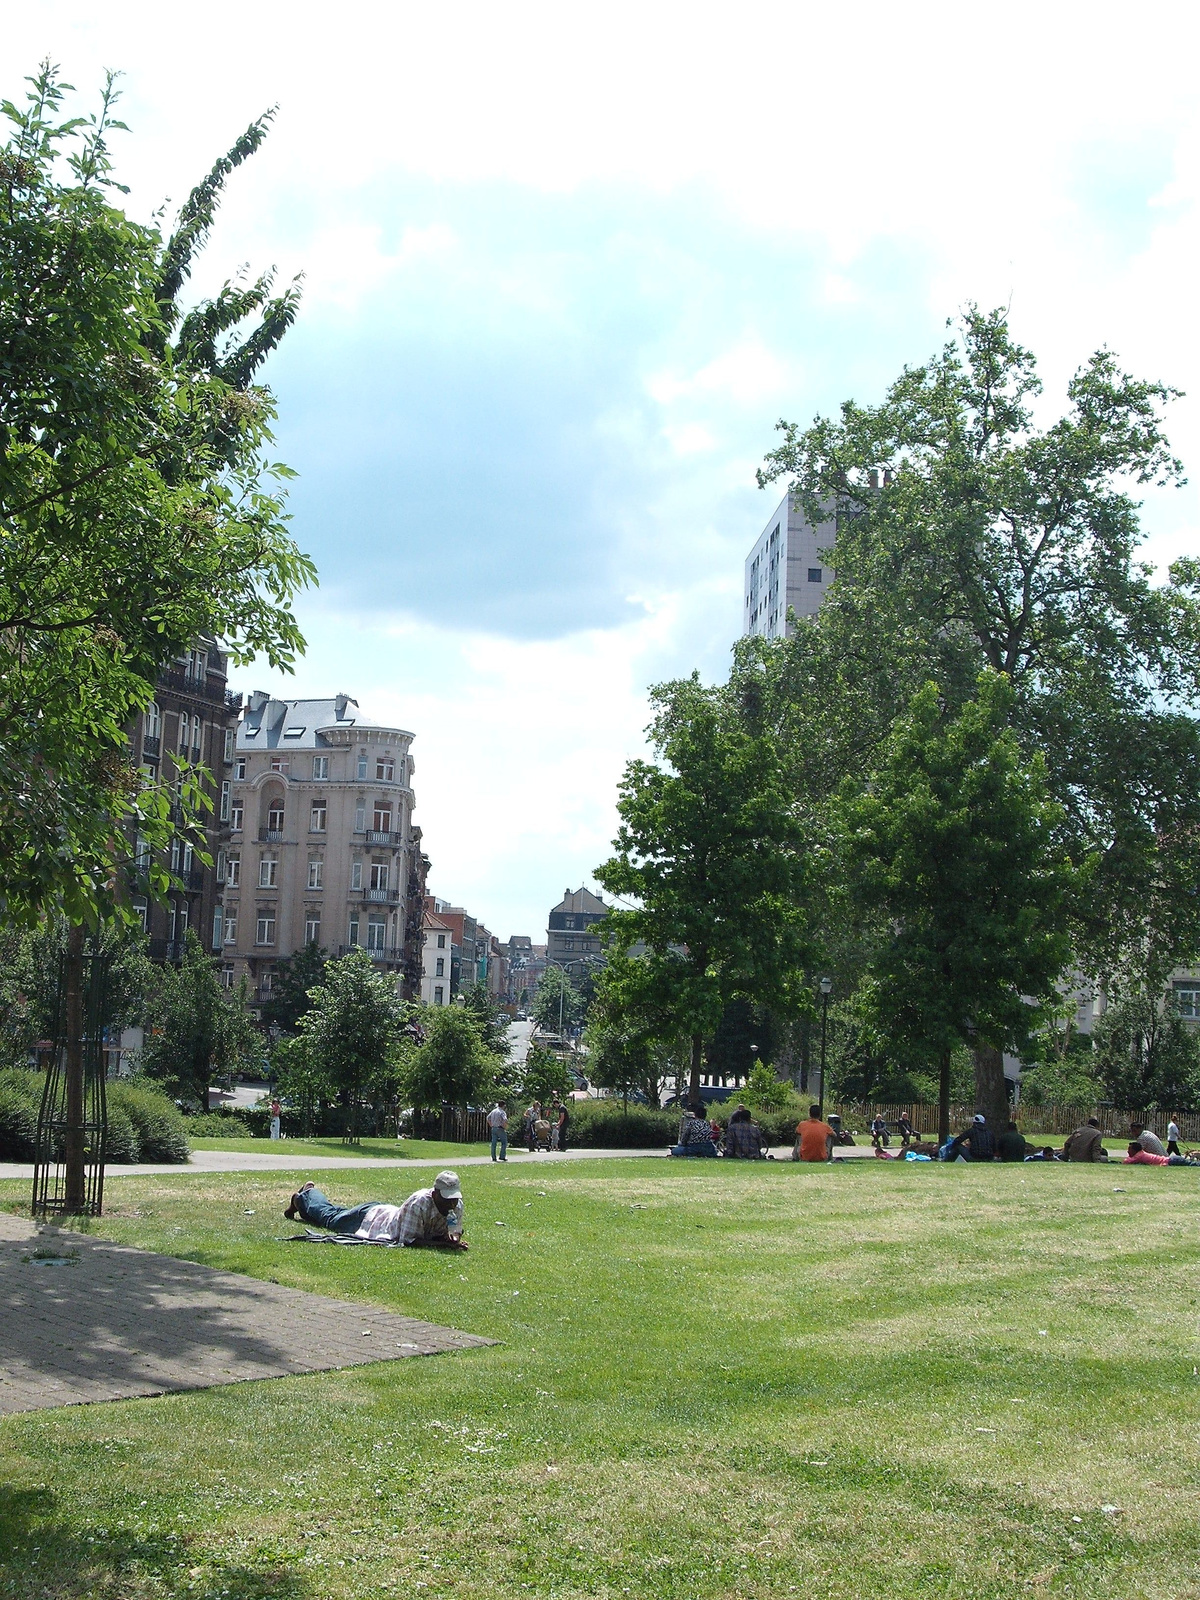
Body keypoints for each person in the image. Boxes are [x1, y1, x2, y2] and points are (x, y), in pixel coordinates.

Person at [284, 1171, 468, 1249]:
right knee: (330, 1218)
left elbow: (454, 1229)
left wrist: (454, 1239)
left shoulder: (455, 1203)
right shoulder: (419, 1202)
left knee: (336, 1212)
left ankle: (304, 1199)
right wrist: (443, 1245)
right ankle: (305, 1196)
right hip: (372, 1220)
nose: (451, 1204)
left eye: (453, 1198)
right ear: (435, 1193)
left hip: (381, 1212)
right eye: (446, 1198)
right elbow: (409, 1241)